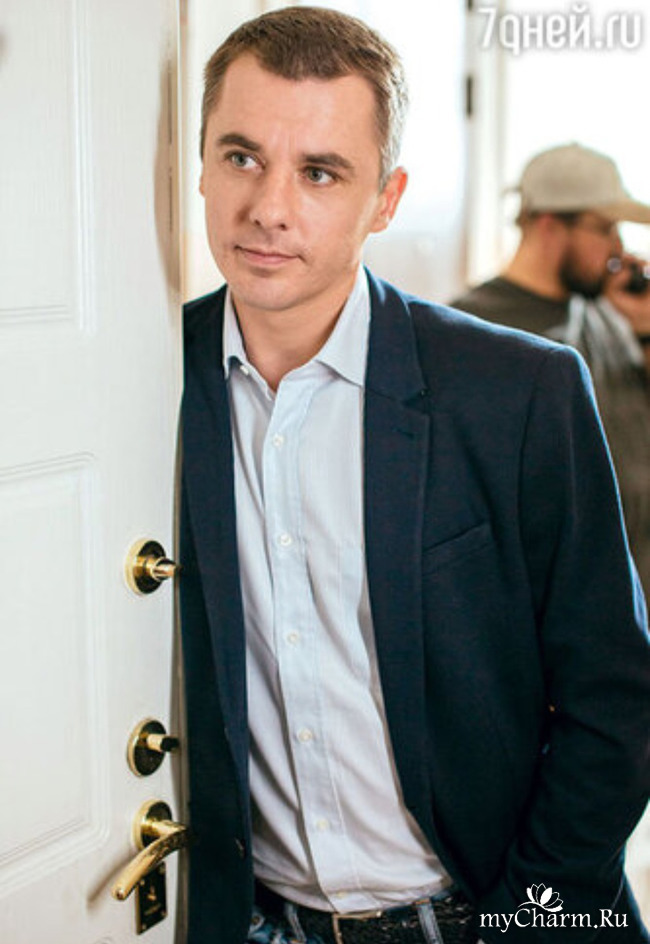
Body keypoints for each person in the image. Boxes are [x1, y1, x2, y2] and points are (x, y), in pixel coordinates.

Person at [180, 9, 650, 943]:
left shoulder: (523, 389)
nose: (268, 207)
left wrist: (525, 922)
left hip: (487, 913)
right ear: (200, 165)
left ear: (386, 199)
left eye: (320, 172)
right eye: (241, 157)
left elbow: (617, 699)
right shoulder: (145, 376)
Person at [451, 143, 650, 602]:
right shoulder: (472, 332)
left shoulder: (606, 312)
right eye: (605, 228)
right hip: (565, 613)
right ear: (549, 224)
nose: (619, 248)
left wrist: (644, 327)